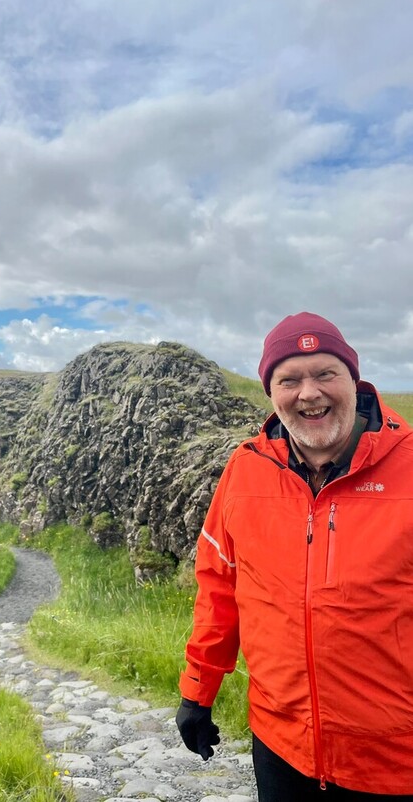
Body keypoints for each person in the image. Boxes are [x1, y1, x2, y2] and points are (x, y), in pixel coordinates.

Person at [176, 312, 413, 800]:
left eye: (326, 373)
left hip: (395, 759)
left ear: (354, 379)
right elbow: (219, 587)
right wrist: (197, 692)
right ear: (271, 393)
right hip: (281, 745)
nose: (309, 393)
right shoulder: (246, 469)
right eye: (289, 379)